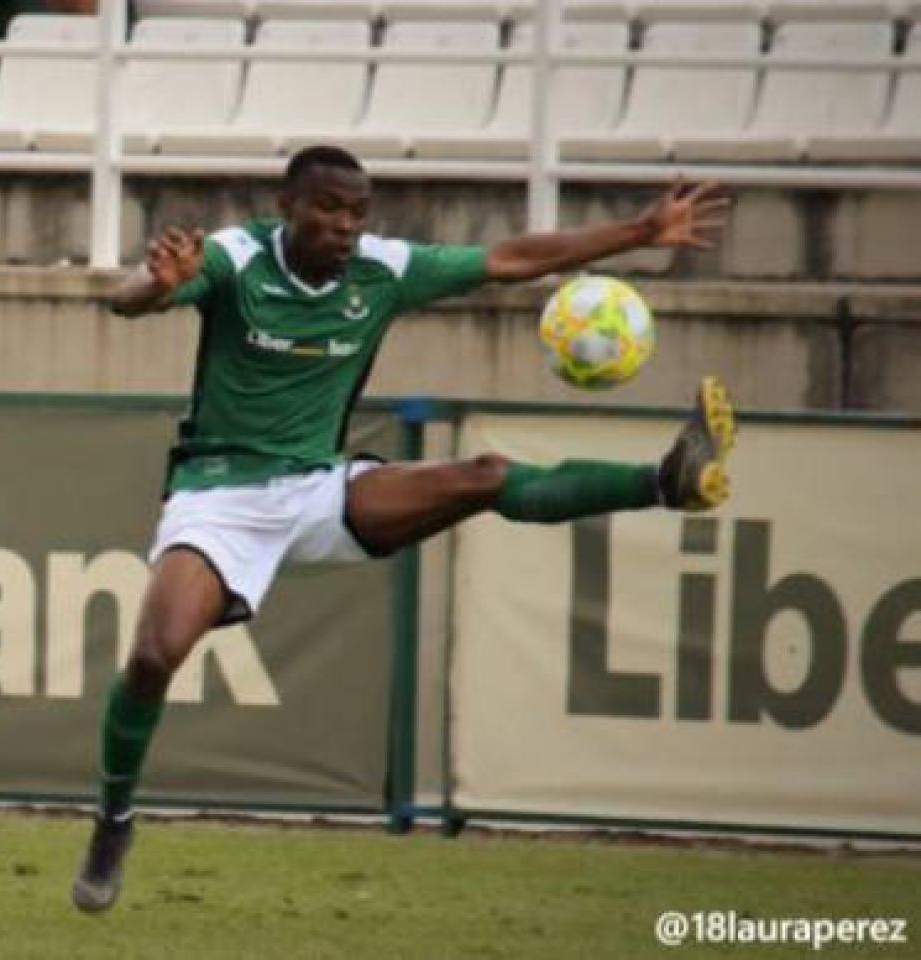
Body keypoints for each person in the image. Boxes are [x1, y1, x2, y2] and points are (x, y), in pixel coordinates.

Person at [70, 145, 735, 913]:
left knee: (481, 475)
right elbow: (124, 301)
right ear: (287, 206)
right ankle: (114, 822)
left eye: (358, 211)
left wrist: (639, 232)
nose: (346, 226)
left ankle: (665, 479)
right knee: (155, 656)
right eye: (329, 208)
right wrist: (156, 282)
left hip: (321, 488)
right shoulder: (234, 256)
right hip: (219, 495)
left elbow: (511, 257)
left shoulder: (381, 271)